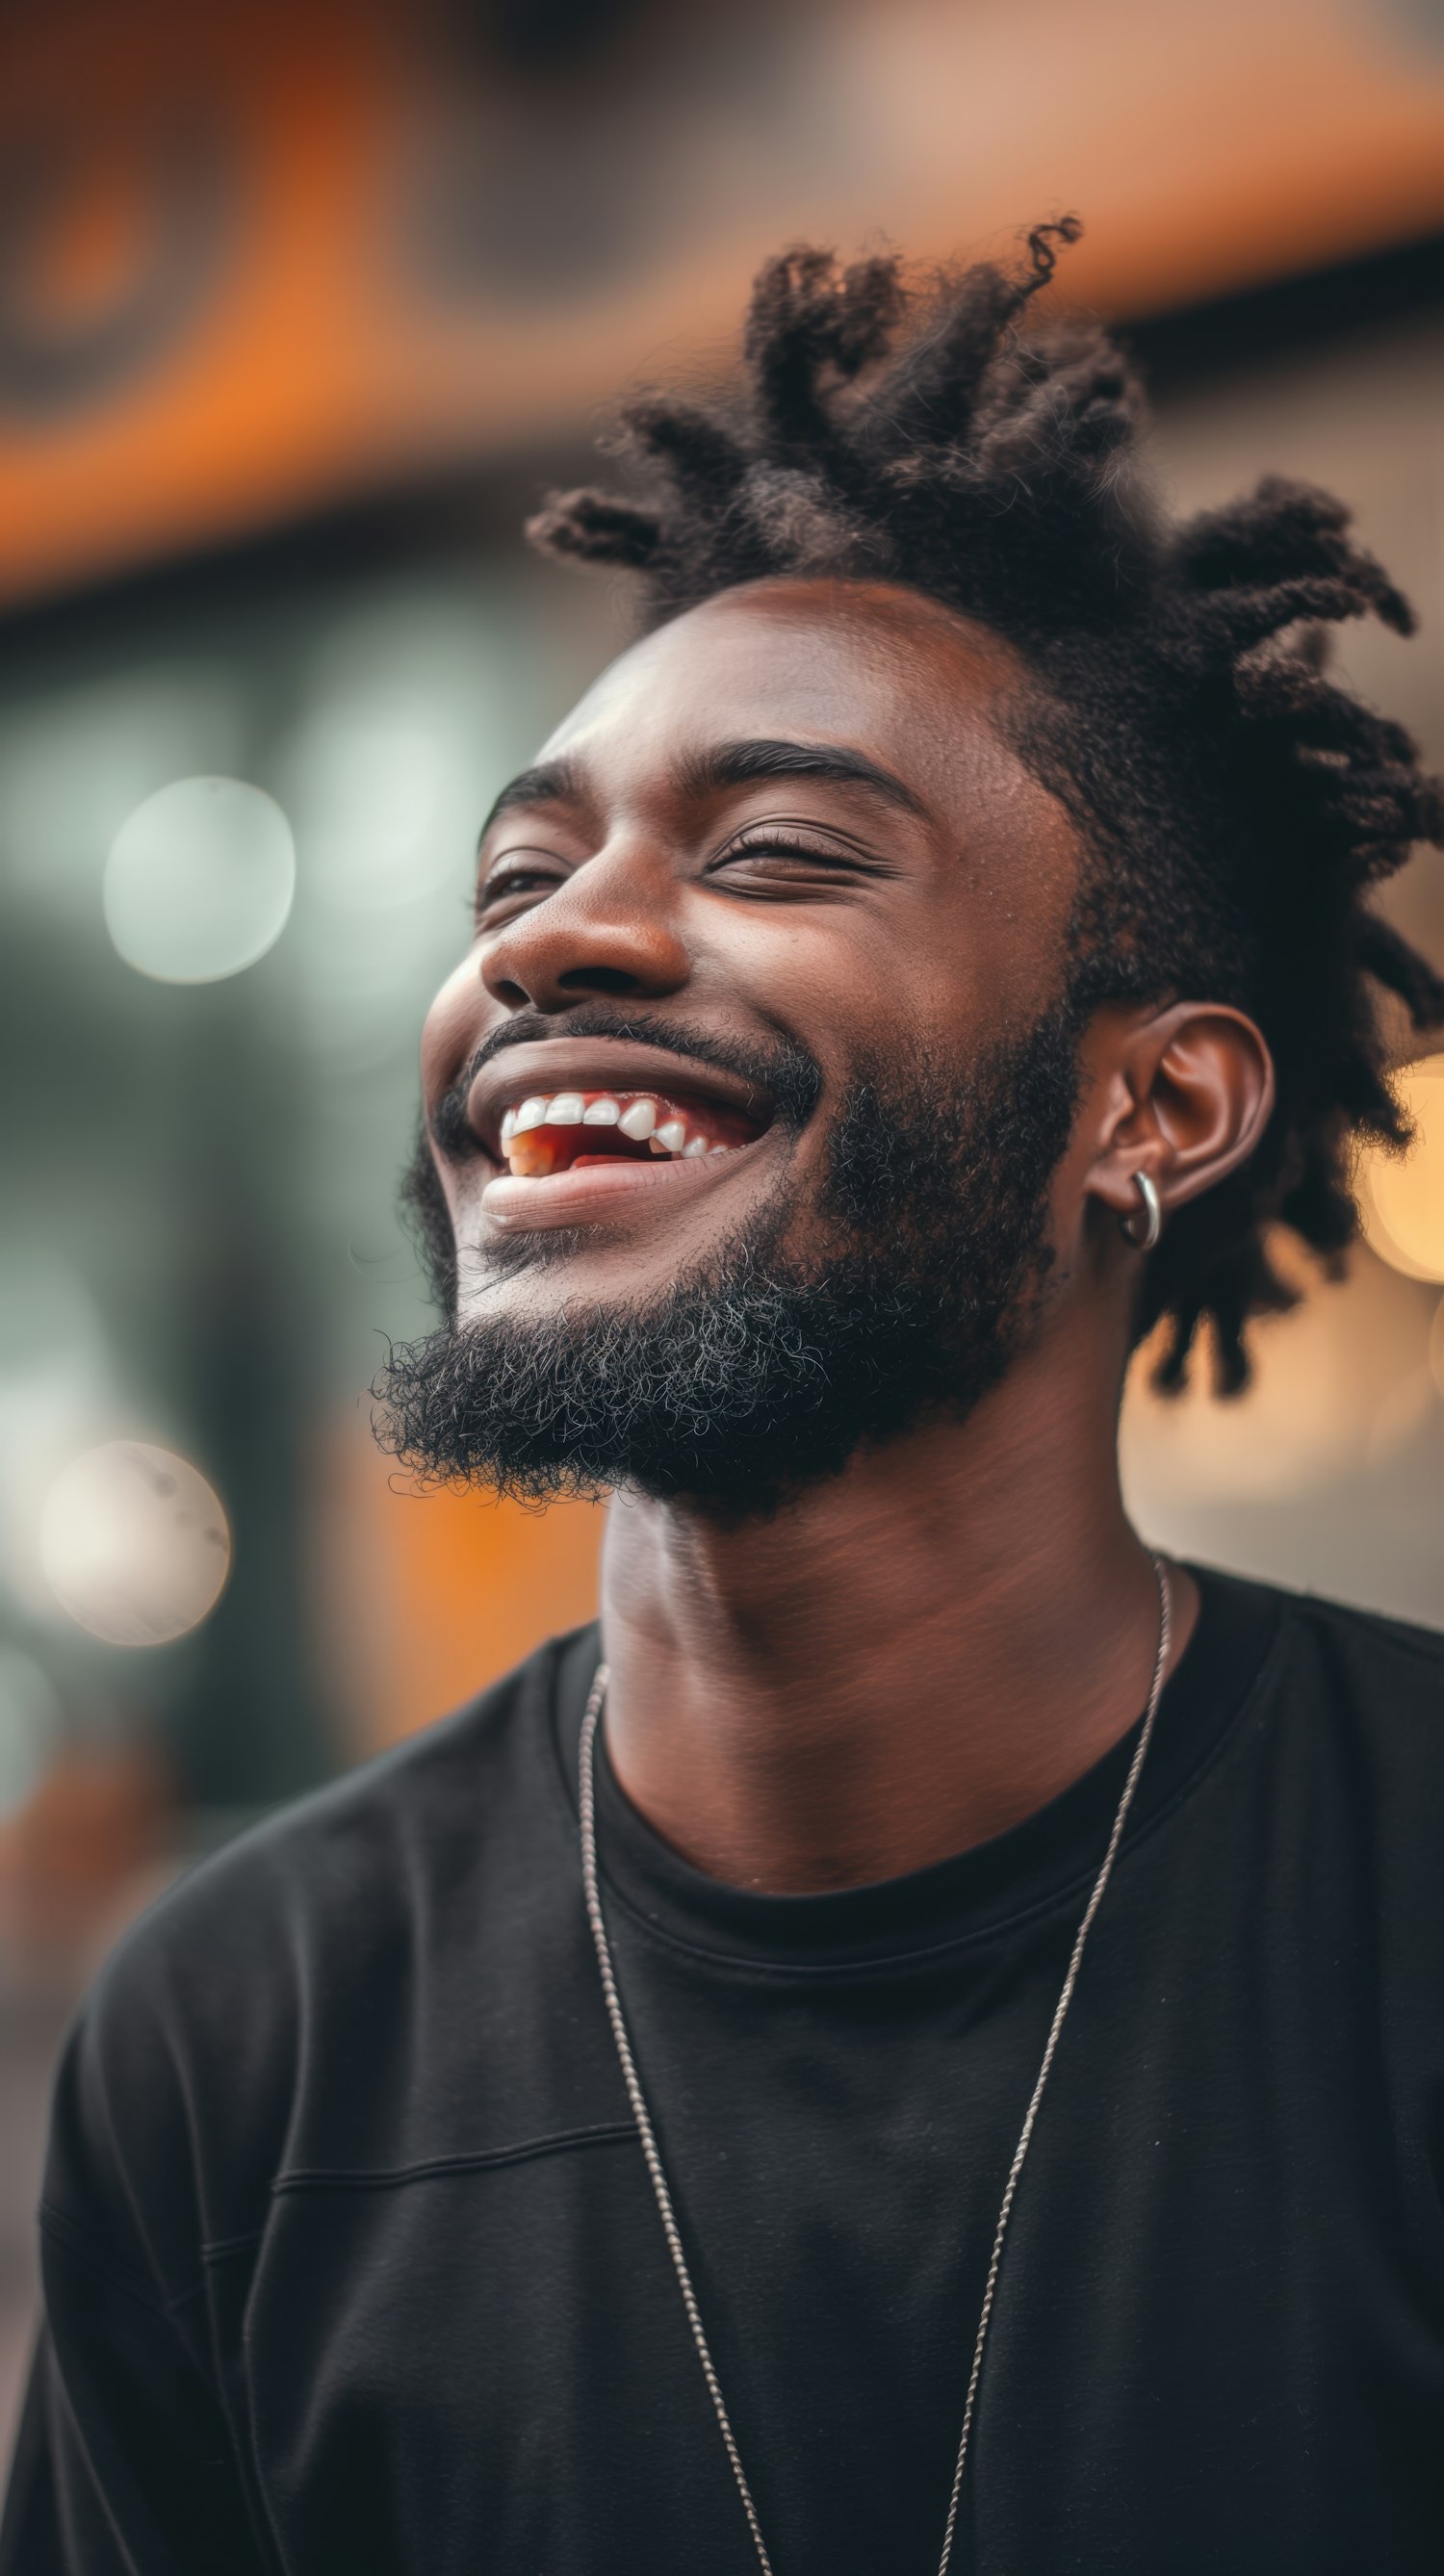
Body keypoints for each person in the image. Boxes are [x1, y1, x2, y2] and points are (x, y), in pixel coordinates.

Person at [5, 219, 1444, 2576]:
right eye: (515, 877)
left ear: (1156, 1106)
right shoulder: (241, 2041)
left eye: (777, 852)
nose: (550, 942)